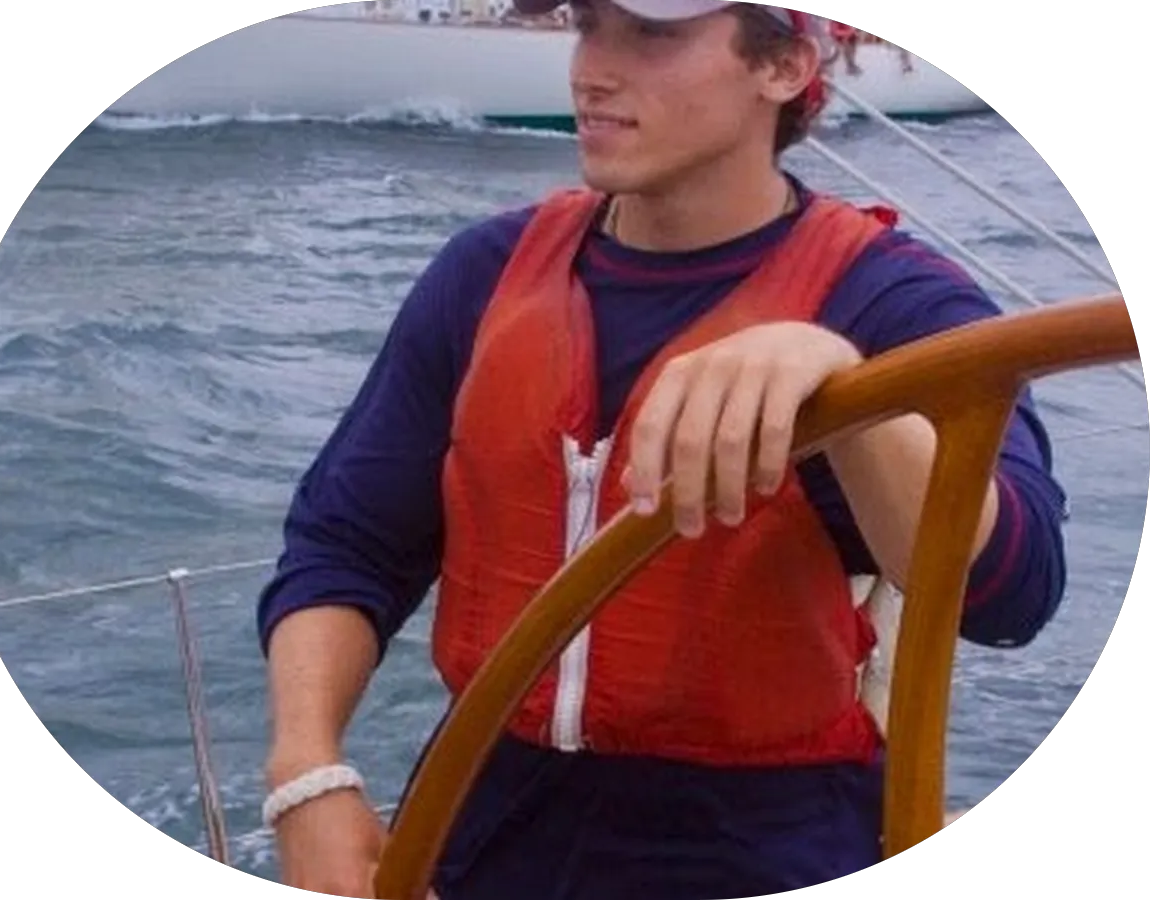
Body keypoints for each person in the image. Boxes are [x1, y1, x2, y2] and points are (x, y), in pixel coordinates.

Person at [256, 1, 1069, 898]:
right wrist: (307, 771)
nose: (591, 70)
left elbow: (1016, 590)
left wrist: (850, 394)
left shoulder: (894, 302)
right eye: (587, 24)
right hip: (476, 830)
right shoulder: (483, 274)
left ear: (784, 68)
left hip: (769, 849)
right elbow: (347, 545)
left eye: (650, 33)